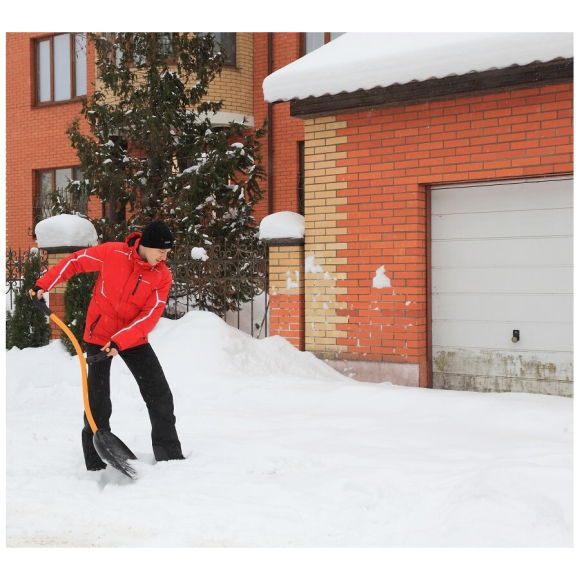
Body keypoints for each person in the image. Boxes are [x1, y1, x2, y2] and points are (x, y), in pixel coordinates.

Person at [32, 221, 184, 470]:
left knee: (159, 394)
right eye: (162, 252)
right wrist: (43, 284)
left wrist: (121, 341)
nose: (164, 258)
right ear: (146, 245)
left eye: (167, 253)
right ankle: (95, 462)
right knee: (98, 401)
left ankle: (169, 455)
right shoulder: (112, 253)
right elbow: (75, 262)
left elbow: (149, 316)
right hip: (99, 334)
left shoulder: (161, 276)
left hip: (133, 338)